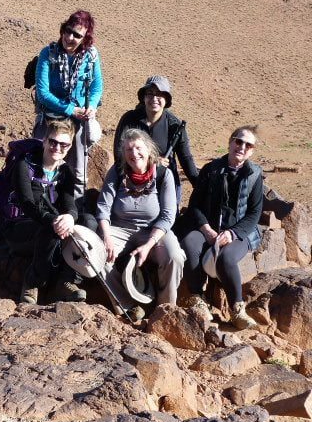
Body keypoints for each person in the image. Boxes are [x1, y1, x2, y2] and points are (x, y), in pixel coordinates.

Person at [177, 125, 263, 329]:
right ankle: (198, 299)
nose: (241, 147)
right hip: (207, 227)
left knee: (226, 258)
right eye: (238, 141)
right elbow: (195, 204)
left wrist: (232, 234)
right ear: (231, 142)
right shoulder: (211, 169)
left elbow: (254, 213)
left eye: (248, 145)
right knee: (190, 245)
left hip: (240, 232)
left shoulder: (254, 175)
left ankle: (237, 309)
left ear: (251, 151)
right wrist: (206, 229)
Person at [96, 128, 186, 317]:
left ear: (149, 150)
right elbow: (103, 207)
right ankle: (128, 306)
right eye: (128, 150)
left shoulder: (163, 175)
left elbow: (168, 216)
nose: (134, 154)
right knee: (96, 253)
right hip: (120, 229)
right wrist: (106, 237)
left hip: (154, 232)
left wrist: (148, 245)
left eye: (138, 148)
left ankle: (165, 309)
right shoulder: (118, 172)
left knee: (174, 256)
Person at [4, 120, 86, 304]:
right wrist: (55, 221)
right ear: (44, 140)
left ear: (70, 146)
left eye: (63, 144)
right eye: (53, 142)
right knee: (50, 229)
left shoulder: (65, 172)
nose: (57, 147)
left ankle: (67, 280)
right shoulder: (24, 166)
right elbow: (28, 204)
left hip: (50, 224)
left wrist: (71, 217)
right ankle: (32, 281)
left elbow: (69, 203)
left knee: (88, 222)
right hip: (19, 228)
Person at [32, 10, 103, 217]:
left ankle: (77, 213)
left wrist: (92, 107)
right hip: (51, 118)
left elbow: (97, 86)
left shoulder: (91, 56)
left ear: (85, 39)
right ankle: (37, 212)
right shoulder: (48, 53)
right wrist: (70, 109)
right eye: (68, 31)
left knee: (78, 171)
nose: (70, 38)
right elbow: (43, 93)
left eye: (77, 35)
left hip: (78, 120)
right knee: (40, 165)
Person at [114, 76, 198, 204]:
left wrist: (199, 185)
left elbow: (186, 158)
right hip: (132, 180)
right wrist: (151, 162)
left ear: (167, 99)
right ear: (143, 97)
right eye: (150, 94)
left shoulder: (174, 124)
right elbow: (119, 153)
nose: (154, 99)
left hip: (164, 181)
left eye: (160, 94)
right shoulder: (129, 119)